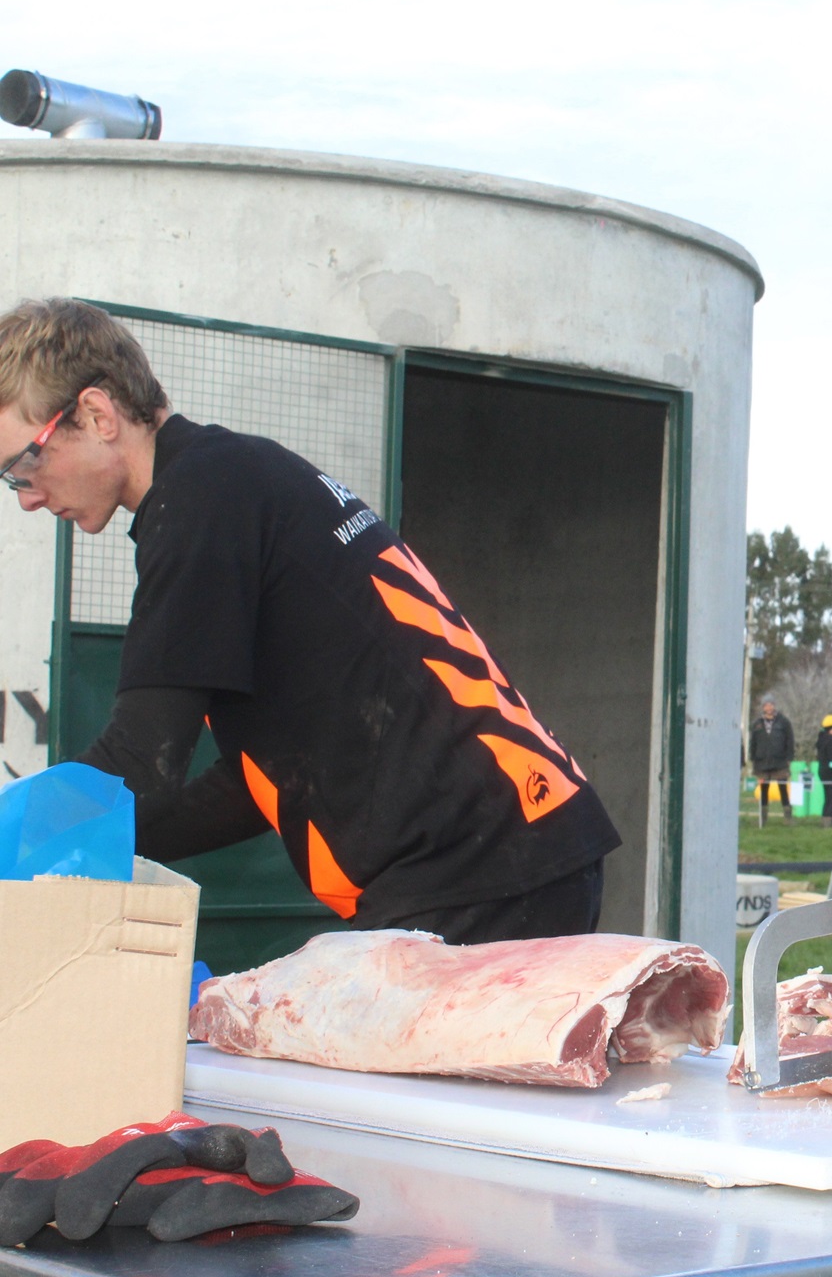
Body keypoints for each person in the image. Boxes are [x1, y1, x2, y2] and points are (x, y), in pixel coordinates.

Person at [0, 299, 619, 944]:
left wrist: (18, 838)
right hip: (512, 851)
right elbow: (259, 781)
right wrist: (102, 840)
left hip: (475, 868)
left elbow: (141, 757)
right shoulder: (233, 478)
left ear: (97, 415)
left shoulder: (199, 502)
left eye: (26, 463)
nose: (27, 497)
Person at [749, 698, 796, 827]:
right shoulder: (757, 723)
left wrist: (789, 758)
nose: (769, 708)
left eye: (771, 705)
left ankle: (788, 817)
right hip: (762, 761)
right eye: (766, 705)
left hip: (780, 761)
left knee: (783, 788)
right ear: (763, 707)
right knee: (764, 789)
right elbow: (753, 743)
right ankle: (763, 818)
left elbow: (790, 740)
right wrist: (753, 759)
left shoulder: (784, 722)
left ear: (774, 706)